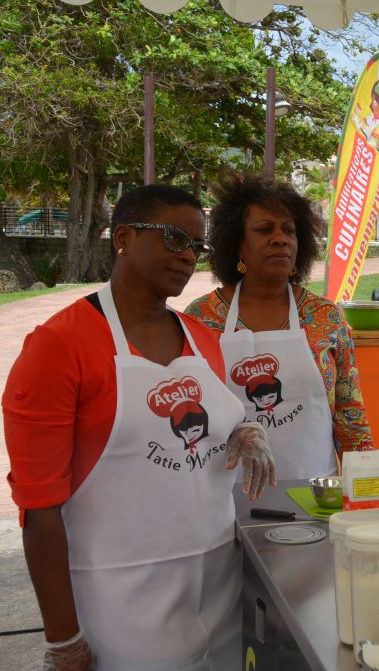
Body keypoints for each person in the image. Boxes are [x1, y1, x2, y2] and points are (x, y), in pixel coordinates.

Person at [3, 184, 275, 670]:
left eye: (197, 245)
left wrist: (242, 432)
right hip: (122, 600)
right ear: (123, 237)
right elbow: (39, 510)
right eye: (174, 238)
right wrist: (63, 637)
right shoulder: (59, 347)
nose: (189, 255)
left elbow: (218, 420)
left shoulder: (200, 338)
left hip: (219, 582)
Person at [186, 173, 374, 481]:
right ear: (238, 247)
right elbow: (194, 410)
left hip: (315, 493)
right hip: (225, 493)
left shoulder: (326, 317)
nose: (280, 238)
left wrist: (365, 489)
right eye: (264, 230)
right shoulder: (202, 317)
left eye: (289, 230)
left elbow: (350, 414)